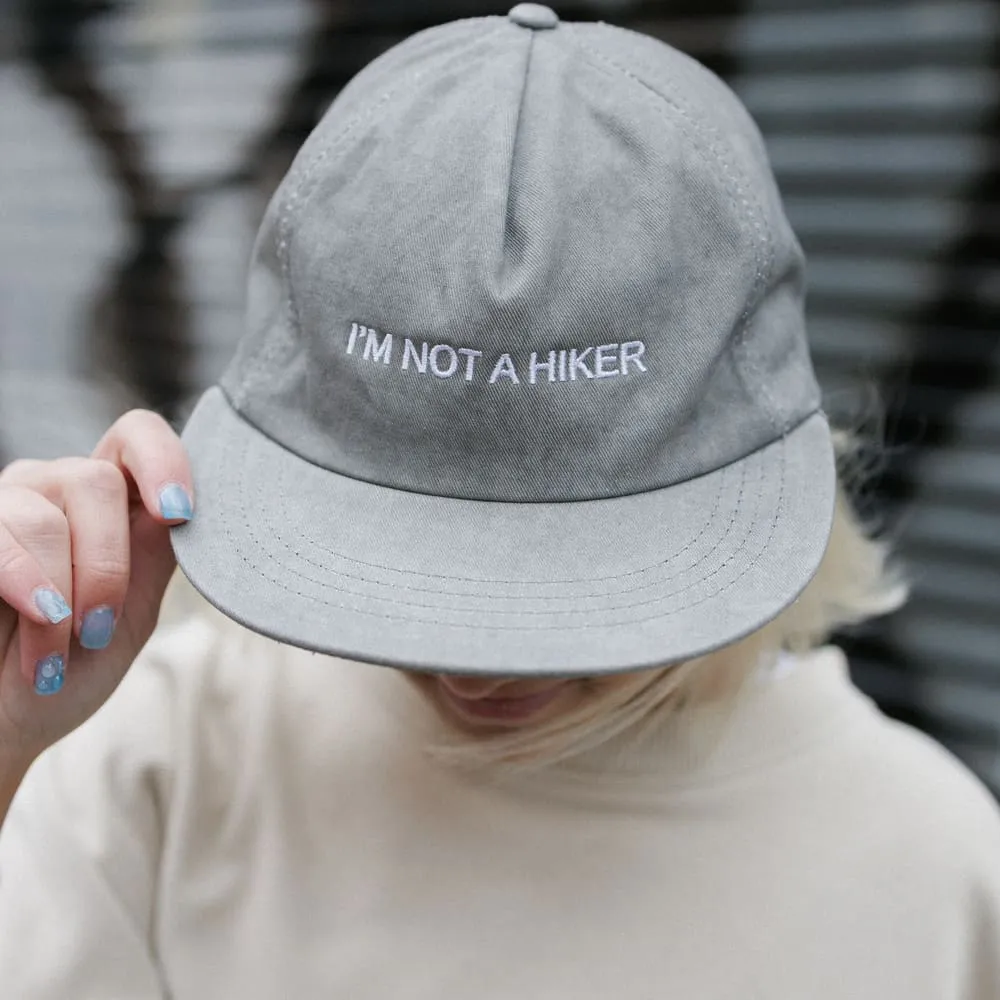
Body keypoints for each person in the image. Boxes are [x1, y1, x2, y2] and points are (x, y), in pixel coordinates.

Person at [1, 6, 999, 997]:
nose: (473, 671)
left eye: (568, 569)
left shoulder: (937, 874)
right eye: (405, 554)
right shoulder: (161, 757)